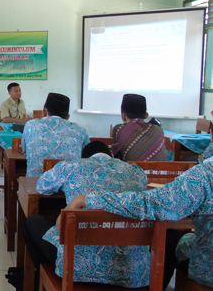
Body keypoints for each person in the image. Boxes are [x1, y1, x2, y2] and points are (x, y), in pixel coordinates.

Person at [65, 156, 213, 289]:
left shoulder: (204, 175)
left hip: (208, 270)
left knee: (166, 240)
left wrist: (87, 200)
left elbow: (152, 204)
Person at [18, 141, 149, 290]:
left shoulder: (71, 166)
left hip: (77, 266)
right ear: (111, 157)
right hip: (133, 270)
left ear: (84, 157)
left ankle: (45, 278)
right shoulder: (137, 172)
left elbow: (41, 186)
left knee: (31, 222)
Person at [21, 92, 90, 177]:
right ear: (67, 117)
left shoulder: (30, 125)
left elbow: (25, 153)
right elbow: (86, 159)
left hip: (35, 183)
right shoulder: (81, 130)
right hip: (69, 186)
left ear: (44, 112)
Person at [112, 94, 167, 161]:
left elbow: (117, 160)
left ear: (123, 116)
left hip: (132, 171)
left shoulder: (119, 129)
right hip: (157, 171)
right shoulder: (158, 130)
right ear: (146, 115)